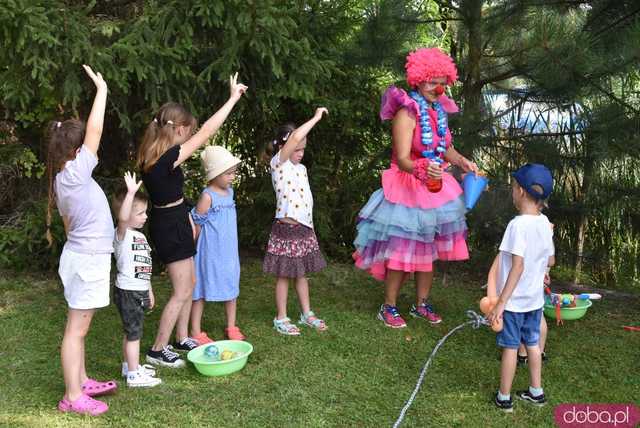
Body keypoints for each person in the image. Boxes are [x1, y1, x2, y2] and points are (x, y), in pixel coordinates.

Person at [353, 47, 478, 328]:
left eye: (442, 81)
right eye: (431, 81)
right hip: (408, 185)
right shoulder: (406, 111)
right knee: (401, 250)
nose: (438, 87)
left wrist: (462, 161)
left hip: (435, 186)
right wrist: (423, 168)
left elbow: (446, 149)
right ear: (418, 80)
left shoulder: (438, 110)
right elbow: (403, 159)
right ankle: (389, 306)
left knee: (429, 248)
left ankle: (422, 303)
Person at [137, 73, 247, 367]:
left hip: (173, 219)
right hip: (171, 225)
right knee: (183, 289)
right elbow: (209, 131)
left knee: (191, 280)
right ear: (180, 129)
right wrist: (232, 99)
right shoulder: (166, 157)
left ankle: (182, 336)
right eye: (190, 131)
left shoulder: (151, 153)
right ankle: (158, 349)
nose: (192, 135)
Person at [47, 65, 117, 415]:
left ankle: (83, 379)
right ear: (74, 152)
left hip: (80, 255)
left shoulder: (65, 179)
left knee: (80, 326)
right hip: (86, 259)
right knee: (76, 329)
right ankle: (72, 396)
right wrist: (101, 90)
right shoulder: (75, 174)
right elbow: (96, 129)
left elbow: (67, 223)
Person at [487, 163, 555, 412]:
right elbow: (550, 260)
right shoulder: (545, 223)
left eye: (514, 187)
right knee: (534, 345)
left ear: (522, 192)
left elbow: (517, 267)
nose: (512, 192)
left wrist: (501, 303)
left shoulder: (517, 226)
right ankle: (536, 392)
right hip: (534, 301)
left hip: (515, 303)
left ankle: (504, 397)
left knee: (511, 348)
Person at [263, 108, 329, 335]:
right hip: (285, 229)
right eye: (297, 149)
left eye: (303, 149)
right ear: (284, 146)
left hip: (303, 228)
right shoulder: (278, 163)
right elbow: (294, 138)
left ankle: (306, 313)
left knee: (301, 274)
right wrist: (315, 118)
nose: (300, 153)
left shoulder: (301, 169)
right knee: (283, 275)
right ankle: (281, 317)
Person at [190, 146, 245, 344]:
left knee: (231, 284)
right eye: (228, 173)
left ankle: (231, 325)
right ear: (214, 174)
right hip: (210, 252)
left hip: (228, 250)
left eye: (233, 173)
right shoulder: (207, 196)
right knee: (201, 288)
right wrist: (191, 247)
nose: (232, 177)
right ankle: (195, 330)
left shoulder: (229, 192)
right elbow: (197, 223)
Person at [112, 172, 162, 387]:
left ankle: (128, 366)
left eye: (145, 212)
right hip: (128, 291)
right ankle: (134, 375)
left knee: (132, 331)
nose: (145, 216)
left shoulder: (140, 236)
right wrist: (131, 193)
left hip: (138, 289)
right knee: (134, 334)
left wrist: (149, 290)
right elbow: (123, 217)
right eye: (140, 213)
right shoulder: (122, 234)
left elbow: (144, 268)